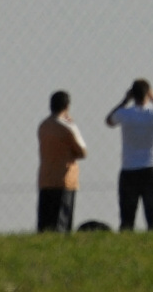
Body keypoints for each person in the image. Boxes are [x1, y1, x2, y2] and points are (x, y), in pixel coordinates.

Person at [105, 78, 153, 231]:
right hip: (152, 167)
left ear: (132, 94)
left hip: (129, 168)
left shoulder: (125, 114)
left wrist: (124, 101)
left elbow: (109, 120)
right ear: (148, 94)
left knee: (127, 218)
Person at [37, 90, 88, 233]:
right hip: (65, 179)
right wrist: (73, 125)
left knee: (45, 222)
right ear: (67, 106)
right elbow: (82, 151)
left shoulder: (43, 126)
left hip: (46, 178)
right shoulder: (68, 127)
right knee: (62, 223)